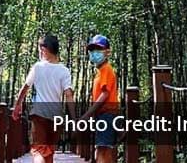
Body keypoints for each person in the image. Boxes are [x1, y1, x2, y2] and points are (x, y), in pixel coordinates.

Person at [12, 33, 75, 163]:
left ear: (44, 50)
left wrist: (17, 105)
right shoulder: (64, 70)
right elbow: (69, 94)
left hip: (39, 113)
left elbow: (25, 88)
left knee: (39, 150)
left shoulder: (38, 67)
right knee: (49, 152)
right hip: (56, 117)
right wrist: (74, 119)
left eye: (40, 49)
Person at [80, 34, 119, 163]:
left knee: (103, 149)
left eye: (98, 50)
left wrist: (87, 114)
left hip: (107, 114)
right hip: (101, 115)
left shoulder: (107, 69)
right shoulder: (100, 71)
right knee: (101, 149)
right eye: (92, 50)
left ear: (107, 52)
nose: (94, 53)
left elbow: (105, 94)